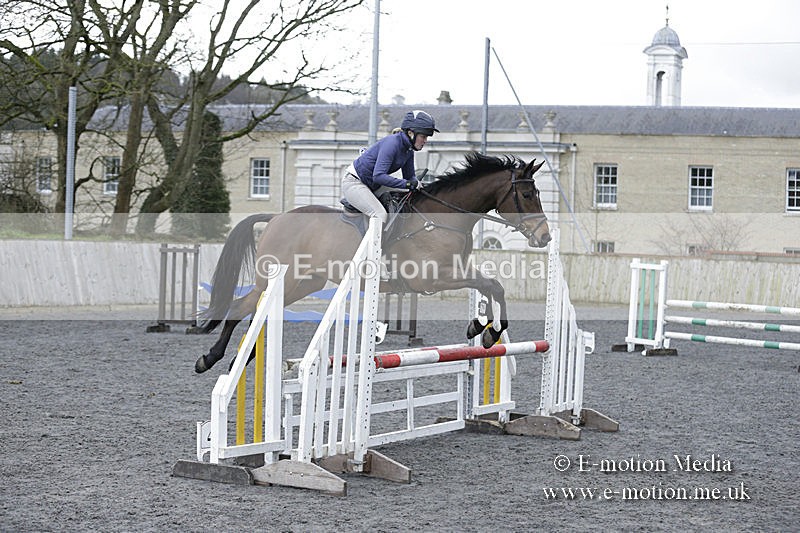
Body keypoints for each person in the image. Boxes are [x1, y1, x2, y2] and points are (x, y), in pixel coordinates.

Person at [341, 110, 438, 224]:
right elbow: (378, 176)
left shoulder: (408, 150)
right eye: (423, 136)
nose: (425, 141)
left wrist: (420, 187)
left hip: (372, 185)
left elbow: (409, 176)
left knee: (404, 201)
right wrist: (408, 184)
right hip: (354, 182)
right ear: (411, 133)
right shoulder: (392, 143)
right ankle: (373, 243)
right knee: (380, 214)